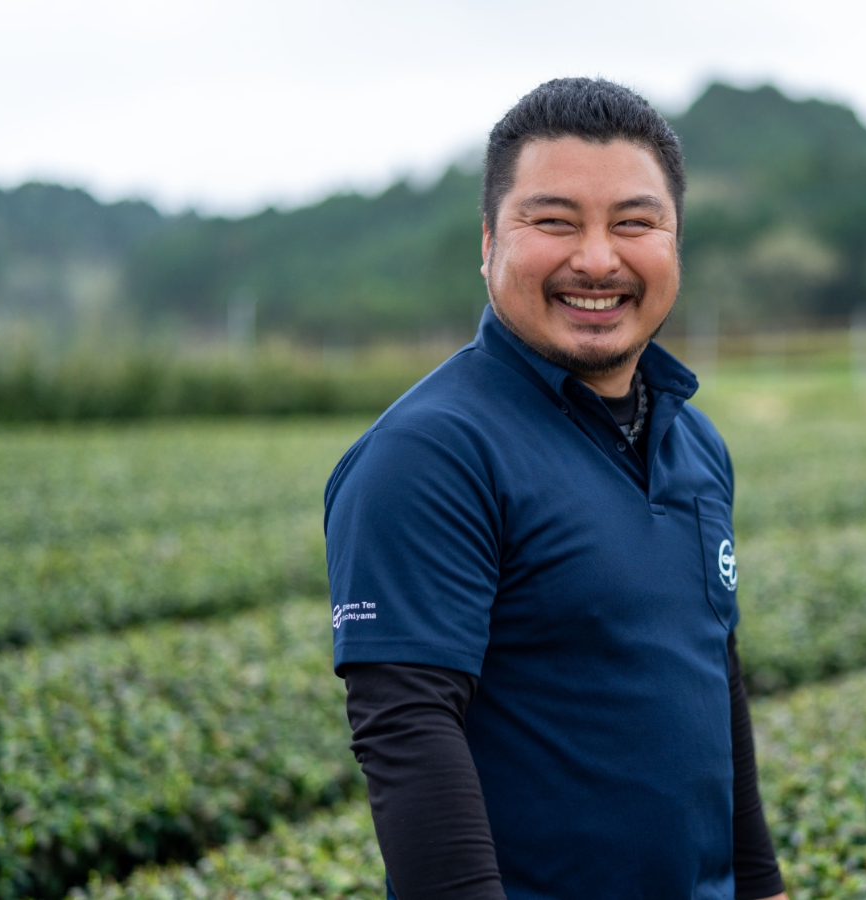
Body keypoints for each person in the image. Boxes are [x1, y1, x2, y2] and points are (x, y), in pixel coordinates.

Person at [324, 77, 787, 900]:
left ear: (675, 244)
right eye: (555, 222)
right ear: (488, 243)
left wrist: (763, 885)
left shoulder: (695, 443)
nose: (599, 259)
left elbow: (716, 682)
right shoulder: (431, 452)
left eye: (635, 223)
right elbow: (408, 731)